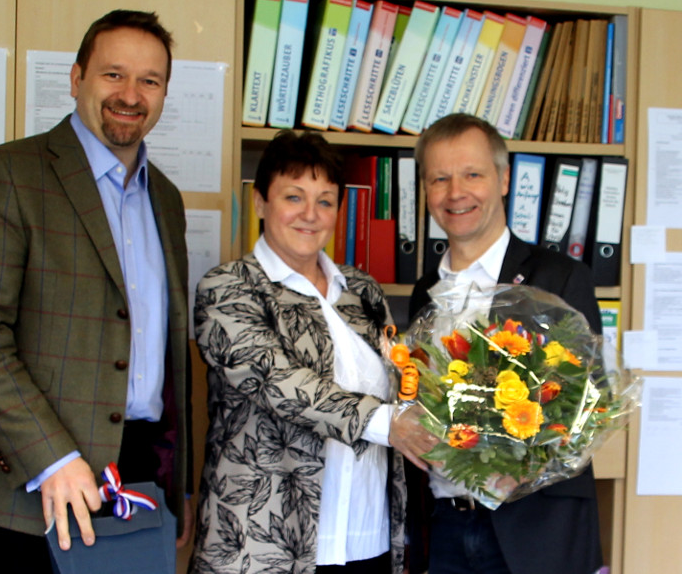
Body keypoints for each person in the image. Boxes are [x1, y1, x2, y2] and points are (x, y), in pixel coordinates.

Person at [0, 9, 192, 573]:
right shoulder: (7, 174)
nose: (131, 94)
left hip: (137, 476)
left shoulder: (167, 200)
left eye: (149, 81)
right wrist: (52, 458)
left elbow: (171, 358)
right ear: (77, 78)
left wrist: (181, 487)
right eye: (113, 75)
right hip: (31, 478)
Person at [188, 130, 431, 574]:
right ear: (261, 202)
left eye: (325, 200)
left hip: (366, 539)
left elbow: (402, 384)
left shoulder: (361, 291)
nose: (310, 214)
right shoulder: (228, 288)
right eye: (293, 197)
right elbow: (278, 382)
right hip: (267, 548)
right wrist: (388, 424)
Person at [406, 113, 603, 574]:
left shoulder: (559, 278)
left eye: (472, 174)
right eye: (440, 178)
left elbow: (589, 405)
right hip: (443, 530)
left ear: (504, 179)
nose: (456, 192)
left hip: (536, 533)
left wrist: (523, 464)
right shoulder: (424, 292)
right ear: (426, 191)